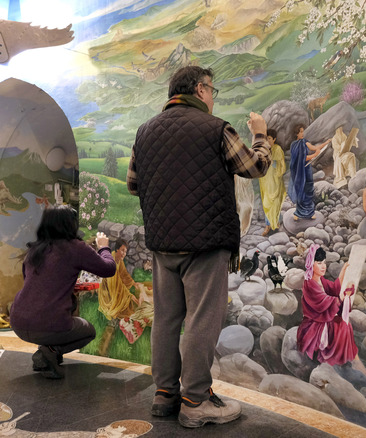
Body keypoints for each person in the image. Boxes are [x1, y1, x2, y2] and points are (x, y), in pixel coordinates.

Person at [127, 65, 271, 428]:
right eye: (212, 90)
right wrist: (261, 135)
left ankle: (164, 394)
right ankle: (195, 400)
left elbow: (132, 184)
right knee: (202, 320)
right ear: (201, 90)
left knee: (166, 318)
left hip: (163, 244)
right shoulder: (216, 128)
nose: (212, 97)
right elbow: (255, 167)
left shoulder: (144, 132)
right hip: (205, 243)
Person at [10, 205, 117, 379]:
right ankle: (50, 350)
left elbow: (33, 283)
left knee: (52, 324)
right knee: (88, 331)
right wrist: (103, 247)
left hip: (17, 322)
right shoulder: (75, 247)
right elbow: (108, 269)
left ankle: (47, 355)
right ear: (70, 224)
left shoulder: (34, 249)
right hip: (49, 324)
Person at [296, 245, 358, 365]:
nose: (323, 266)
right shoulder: (309, 284)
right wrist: (341, 297)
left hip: (324, 317)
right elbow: (322, 301)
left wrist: (344, 270)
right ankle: (336, 359)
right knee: (342, 327)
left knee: (346, 325)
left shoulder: (321, 280)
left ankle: (343, 359)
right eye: (319, 263)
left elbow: (334, 289)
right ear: (311, 264)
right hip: (314, 322)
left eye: (324, 262)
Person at [96, 238, 147, 355]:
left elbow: (124, 275)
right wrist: (129, 295)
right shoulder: (112, 260)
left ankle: (108, 349)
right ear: (117, 249)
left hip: (116, 293)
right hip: (109, 295)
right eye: (122, 250)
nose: (124, 253)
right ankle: (102, 350)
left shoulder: (120, 261)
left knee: (122, 317)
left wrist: (134, 284)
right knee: (116, 317)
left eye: (125, 251)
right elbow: (115, 284)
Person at [288, 124, 330, 220]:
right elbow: (302, 158)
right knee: (300, 189)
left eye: (303, 131)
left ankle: (310, 212)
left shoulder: (305, 142)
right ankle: (299, 213)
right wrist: (315, 154)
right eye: (301, 131)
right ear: (296, 133)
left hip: (306, 169)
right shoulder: (294, 145)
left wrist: (326, 143)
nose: (302, 133)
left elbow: (315, 148)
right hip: (298, 171)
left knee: (309, 187)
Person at [258, 128, 287, 236]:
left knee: (275, 203)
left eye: (269, 138)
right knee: (266, 203)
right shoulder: (263, 149)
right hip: (265, 181)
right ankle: (268, 226)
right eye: (266, 138)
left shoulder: (277, 149)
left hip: (275, 181)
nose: (268, 140)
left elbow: (282, 166)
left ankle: (275, 223)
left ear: (274, 139)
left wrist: (273, 163)